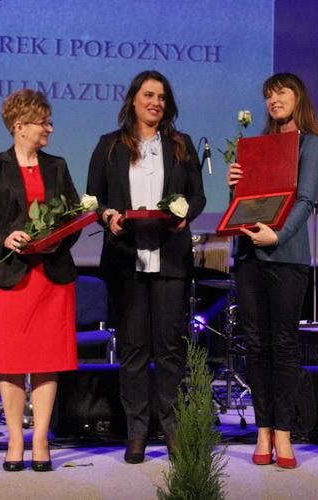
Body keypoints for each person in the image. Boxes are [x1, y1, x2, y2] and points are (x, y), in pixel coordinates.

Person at [87, 70, 206, 464]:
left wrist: (186, 215)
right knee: (134, 350)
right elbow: (95, 198)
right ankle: (136, 433)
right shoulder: (109, 145)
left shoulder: (181, 144)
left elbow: (197, 196)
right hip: (126, 259)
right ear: (133, 100)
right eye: (149, 95)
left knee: (170, 350)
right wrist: (108, 216)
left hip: (170, 258)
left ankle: (172, 430)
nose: (156, 102)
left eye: (162, 97)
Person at [0, 89, 80, 472]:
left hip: (51, 277)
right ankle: (16, 438)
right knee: (11, 362)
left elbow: (74, 218)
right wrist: (4, 238)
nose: (50, 128)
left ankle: (41, 439)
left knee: (47, 360)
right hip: (8, 278)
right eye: (43, 122)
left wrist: (55, 239)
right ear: (19, 126)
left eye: (49, 121)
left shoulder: (57, 166)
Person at [227, 73, 318, 468]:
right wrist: (234, 186)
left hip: (286, 256)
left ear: (298, 97)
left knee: (284, 345)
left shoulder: (312, 143)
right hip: (249, 257)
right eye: (268, 95)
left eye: (281, 92)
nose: (274, 100)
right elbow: (249, 201)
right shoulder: (258, 145)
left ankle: (283, 432)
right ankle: (263, 430)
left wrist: (279, 235)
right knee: (255, 345)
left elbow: (306, 200)